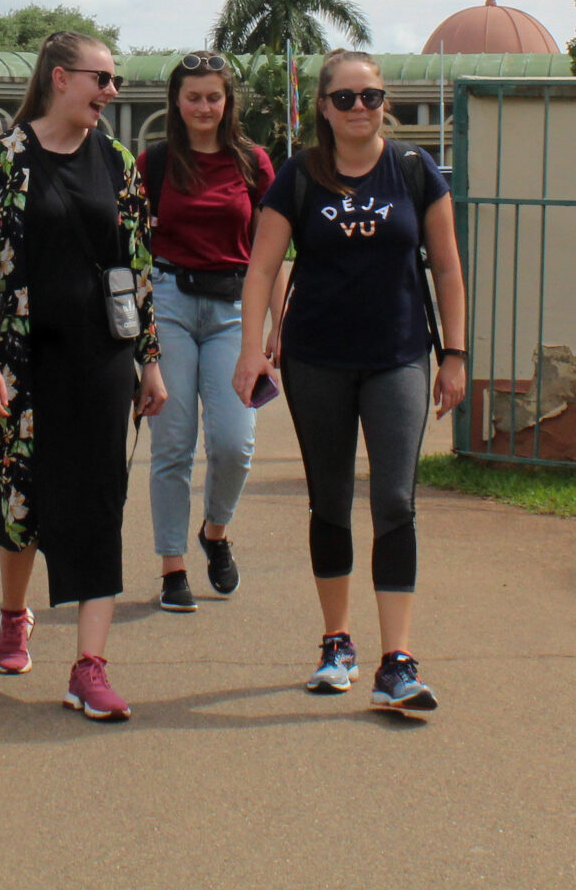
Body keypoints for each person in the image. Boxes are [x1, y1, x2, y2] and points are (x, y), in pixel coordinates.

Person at [234, 49, 468, 715]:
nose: (359, 108)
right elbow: (261, 268)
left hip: (398, 356)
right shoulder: (299, 175)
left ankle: (397, 660)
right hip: (317, 359)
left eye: (370, 96)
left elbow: (447, 267)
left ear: (383, 102)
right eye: (345, 98)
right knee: (330, 501)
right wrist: (251, 350)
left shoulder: (414, 170)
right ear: (323, 107)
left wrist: (454, 354)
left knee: (394, 500)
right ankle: (335, 642)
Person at [0, 31, 166, 722]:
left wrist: (149, 361)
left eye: (113, 80)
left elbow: (137, 267)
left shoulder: (117, 162)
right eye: (100, 78)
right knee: (22, 497)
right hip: (23, 361)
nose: (111, 91)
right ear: (59, 78)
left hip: (101, 358)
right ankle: (13, 615)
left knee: (100, 502)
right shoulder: (6, 158)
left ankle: (89, 667)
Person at [138, 52, 275, 613]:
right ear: (176, 102)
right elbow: (132, 246)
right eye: (192, 97)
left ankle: (215, 532)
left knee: (234, 443)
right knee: (173, 443)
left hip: (234, 309)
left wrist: (276, 326)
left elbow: (274, 250)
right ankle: (172, 566)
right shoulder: (154, 163)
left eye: (213, 97)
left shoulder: (253, 163)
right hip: (169, 300)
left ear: (227, 102)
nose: (203, 107)